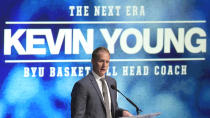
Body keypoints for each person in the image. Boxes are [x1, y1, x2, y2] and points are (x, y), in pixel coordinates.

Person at [71, 47, 133, 118]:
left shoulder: (112, 82)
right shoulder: (82, 85)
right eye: (101, 61)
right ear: (93, 61)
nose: (104, 65)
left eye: (107, 62)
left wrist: (123, 113)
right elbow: (77, 116)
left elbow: (112, 109)